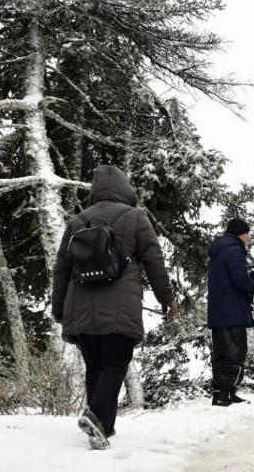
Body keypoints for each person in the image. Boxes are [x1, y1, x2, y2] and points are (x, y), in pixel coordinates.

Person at [52, 165, 177, 450]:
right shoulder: (136, 217)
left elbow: (62, 269)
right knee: (116, 363)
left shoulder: (77, 221)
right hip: (120, 307)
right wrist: (167, 298)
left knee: (95, 365)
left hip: (80, 308)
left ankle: (102, 427)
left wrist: (58, 307)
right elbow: (154, 260)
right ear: (125, 189)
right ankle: (96, 417)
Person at [207, 218, 254, 406]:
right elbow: (239, 280)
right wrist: (253, 284)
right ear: (239, 233)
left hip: (219, 313)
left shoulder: (218, 251)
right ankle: (227, 394)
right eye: (247, 233)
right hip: (232, 312)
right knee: (235, 352)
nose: (248, 237)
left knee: (221, 354)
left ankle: (220, 394)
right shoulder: (234, 250)